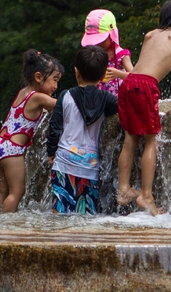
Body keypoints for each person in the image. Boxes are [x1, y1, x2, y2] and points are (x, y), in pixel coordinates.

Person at [116, 0, 171, 216]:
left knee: (130, 138)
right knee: (151, 140)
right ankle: (146, 195)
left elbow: (142, 66)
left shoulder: (150, 34)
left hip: (128, 84)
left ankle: (123, 190)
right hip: (145, 87)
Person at [0, 49, 64, 212]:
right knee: (17, 192)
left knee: (3, 191)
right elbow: (65, 105)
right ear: (38, 77)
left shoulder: (23, 92)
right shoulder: (37, 97)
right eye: (55, 80)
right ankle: (7, 225)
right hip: (12, 150)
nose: (56, 86)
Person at [47, 46, 118, 215]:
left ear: (76, 72)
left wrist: (51, 151)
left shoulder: (66, 95)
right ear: (103, 76)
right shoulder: (107, 99)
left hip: (64, 161)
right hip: (90, 165)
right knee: (86, 213)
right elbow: (127, 106)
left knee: (59, 212)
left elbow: (55, 126)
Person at [81, 9, 133, 97]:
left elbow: (136, 77)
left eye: (101, 39)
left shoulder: (121, 55)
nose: (97, 43)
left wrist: (119, 74)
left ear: (112, 33)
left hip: (118, 101)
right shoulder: (92, 55)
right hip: (98, 100)